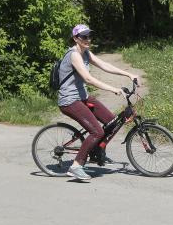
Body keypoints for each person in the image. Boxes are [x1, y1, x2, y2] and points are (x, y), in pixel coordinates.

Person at [58, 24, 138, 180]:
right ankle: (76, 166)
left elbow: (105, 65)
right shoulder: (74, 55)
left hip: (82, 97)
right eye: (84, 37)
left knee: (111, 122)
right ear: (75, 39)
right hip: (69, 100)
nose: (88, 39)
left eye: (89, 36)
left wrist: (129, 74)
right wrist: (112, 89)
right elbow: (88, 79)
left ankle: (96, 152)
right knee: (97, 131)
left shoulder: (86, 52)